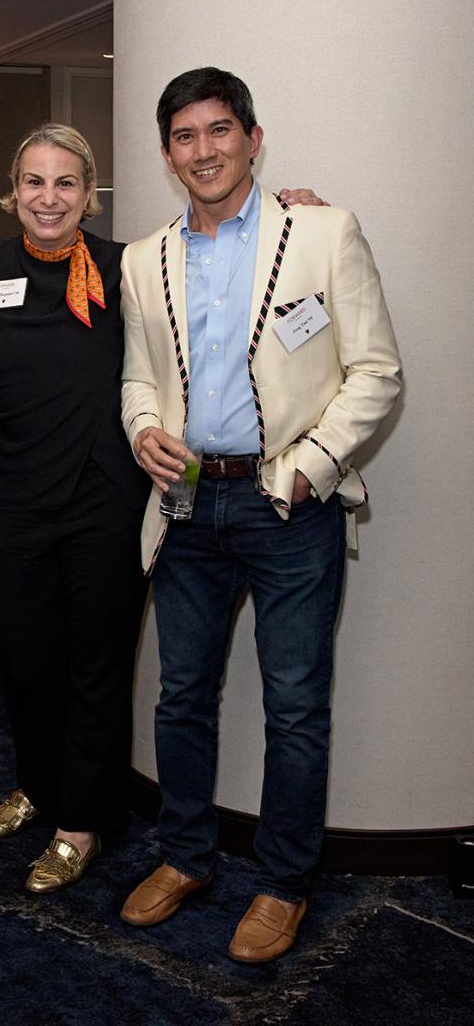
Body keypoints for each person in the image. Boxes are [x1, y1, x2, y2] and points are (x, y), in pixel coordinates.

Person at [118, 68, 401, 963]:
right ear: (168, 154)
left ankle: (283, 884)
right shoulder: (143, 258)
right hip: (188, 503)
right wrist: (143, 429)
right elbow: (138, 374)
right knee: (181, 698)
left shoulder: (322, 232)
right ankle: (186, 856)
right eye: (185, 137)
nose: (203, 151)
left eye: (219, 131)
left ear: (252, 136)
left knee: (295, 706)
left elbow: (376, 373)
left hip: (289, 506)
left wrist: (312, 471)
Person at [0, 124, 150, 893]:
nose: (48, 197)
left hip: (103, 498)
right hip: (11, 496)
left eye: (65, 183)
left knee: (96, 665)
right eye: (34, 182)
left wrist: (298, 208)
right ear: (14, 190)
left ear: (90, 193)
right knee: (26, 662)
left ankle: (82, 821)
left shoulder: (123, 268)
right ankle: (38, 785)